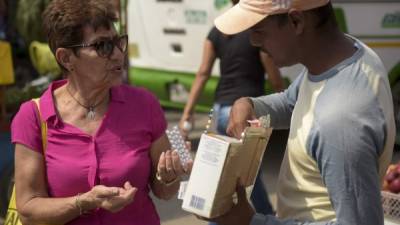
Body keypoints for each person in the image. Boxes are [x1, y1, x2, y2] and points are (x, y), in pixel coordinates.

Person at [202, 0, 396, 224]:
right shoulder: (348, 56)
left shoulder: (340, 122)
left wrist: (252, 221)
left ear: (296, 21)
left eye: (258, 30)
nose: (253, 41)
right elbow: (293, 101)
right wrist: (250, 105)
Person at [10, 0, 191, 225]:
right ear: (66, 58)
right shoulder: (33, 117)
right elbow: (28, 209)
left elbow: (164, 191)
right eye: (102, 46)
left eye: (118, 43)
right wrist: (84, 202)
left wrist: (170, 175)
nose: (117, 54)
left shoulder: (144, 104)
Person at [179, 0, 284, 218]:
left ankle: (216, 218)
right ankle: (268, 217)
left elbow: (203, 73)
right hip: (244, 112)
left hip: (219, 110)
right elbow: (274, 78)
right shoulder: (257, 29)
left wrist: (187, 113)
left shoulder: (217, 30)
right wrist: (284, 100)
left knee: (220, 177)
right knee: (249, 176)